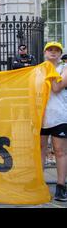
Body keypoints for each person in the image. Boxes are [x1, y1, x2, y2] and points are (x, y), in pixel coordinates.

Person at [41, 41, 67, 202]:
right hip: (41, 116)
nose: (53, 52)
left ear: (60, 54)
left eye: (56, 50)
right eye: (49, 50)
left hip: (58, 116)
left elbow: (57, 87)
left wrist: (49, 71)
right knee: (40, 150)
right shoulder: (38, 70)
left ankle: (61, 186)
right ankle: (38, 183)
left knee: (59, 151)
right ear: (44, 53)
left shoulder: (64, 68)